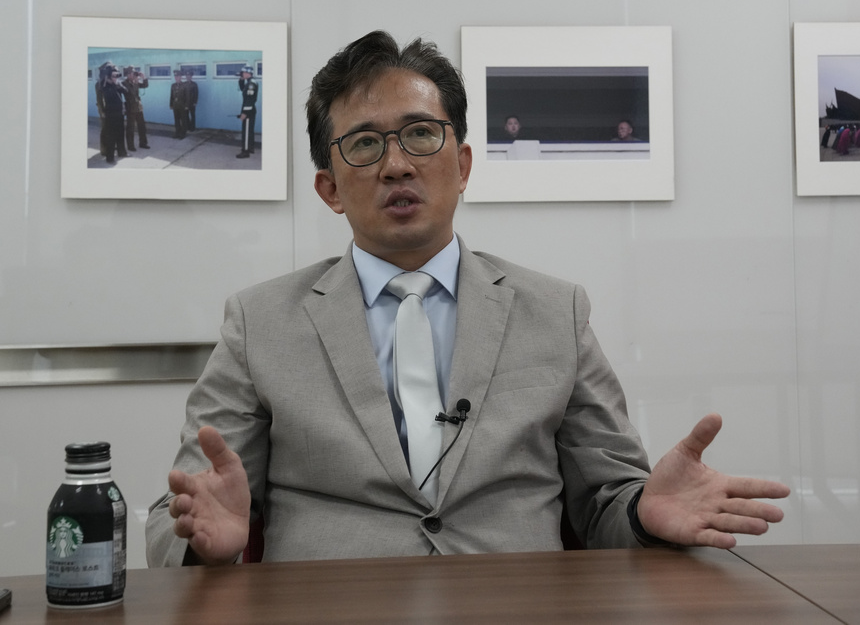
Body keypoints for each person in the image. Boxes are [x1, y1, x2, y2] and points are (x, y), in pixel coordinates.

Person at [145, 30, 789, 567]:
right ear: (329, 189)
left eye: (421, 134)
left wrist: (644, 513)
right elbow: (175, 520)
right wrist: (204, 545)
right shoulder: (259, 323)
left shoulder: (556, 311)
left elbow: (607, 505)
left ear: (462, 165)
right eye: (364, 144)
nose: (396, 164)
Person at [99, 65, 129, 164]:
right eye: (114, 76)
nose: (116, 77)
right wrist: (113, 84)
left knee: (120, 134)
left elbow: (126, 91)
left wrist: (117, 84)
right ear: (108, 76)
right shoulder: (104, 85)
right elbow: (109, 96)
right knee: (111, 137)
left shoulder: (117, 84)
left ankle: (122, 152)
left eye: (117, 75)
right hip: (111, 115)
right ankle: (110, 157)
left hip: (119, 114)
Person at [122, 66, 150, 152]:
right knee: (130, 128)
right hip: (130, 108)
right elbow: (126, 91)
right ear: (128, 74)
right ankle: (130, 146)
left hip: (138, 107)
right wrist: (134, 82)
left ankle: (143, 143)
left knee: (142, 126)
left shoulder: (135, 82)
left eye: (134, 73)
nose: (134, 75)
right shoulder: (124, 83)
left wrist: (143, 78)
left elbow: (145, 85)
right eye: (132, 73)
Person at [237, 66, 259, 158]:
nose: (241, 74)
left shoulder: (251, 84)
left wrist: (244, 113)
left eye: (242, 73)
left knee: (246, 131)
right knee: (249, 130)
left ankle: (245, 151)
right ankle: (250, 148)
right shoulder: (250, 82)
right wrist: (241, 80)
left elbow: (249, 99)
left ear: (247, 73)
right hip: (250, 109)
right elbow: (243, 89)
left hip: (248, 110)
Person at [169, 70, 190, 139]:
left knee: (183, 120)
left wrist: (187, 105)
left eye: (177, 76)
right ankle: (177, 132)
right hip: (175, 105)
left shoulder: (185, 85)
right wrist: (171, 104)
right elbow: (171, 96)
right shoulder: (173, 85)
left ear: (180, 77)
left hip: (182, 105)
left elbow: (187, 96)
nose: (176, 77)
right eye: (175, 76)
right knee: (176, 120)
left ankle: (183, 133)